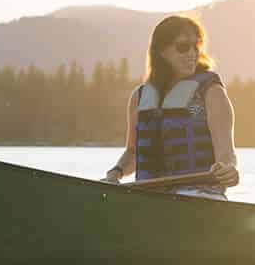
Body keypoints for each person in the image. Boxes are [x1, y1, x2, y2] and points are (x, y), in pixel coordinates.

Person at [103, 15, 240, 197]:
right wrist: (115, 174)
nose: (192, 53)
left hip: (201, 196)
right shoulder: (140, 97)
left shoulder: (211, 91)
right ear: (161, 51)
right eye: (183, 47)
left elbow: (226, 153)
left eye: (196, 46)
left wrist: (228, 169)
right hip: (149, 197)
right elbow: (133, 152)